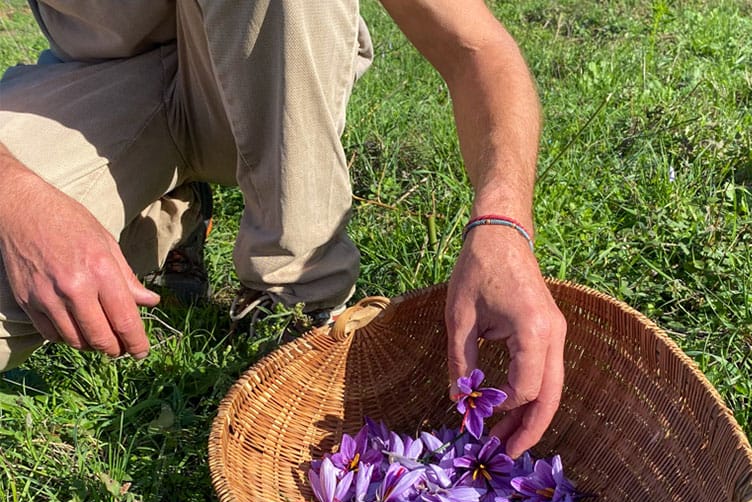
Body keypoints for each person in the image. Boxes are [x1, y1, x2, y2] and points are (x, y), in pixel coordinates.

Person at [0, 1, 566, 458]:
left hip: (260, 81)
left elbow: (477, 48)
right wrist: (19, 201)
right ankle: (166, 206)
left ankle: (297, 303)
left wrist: (502, 223)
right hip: (91, 87)